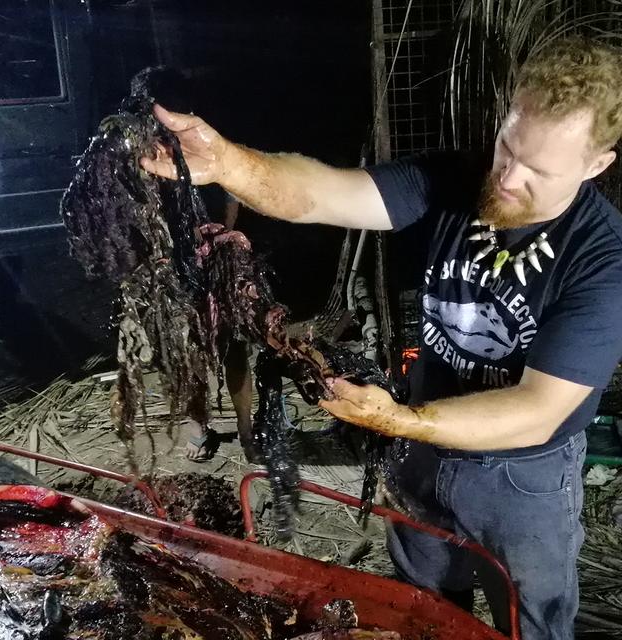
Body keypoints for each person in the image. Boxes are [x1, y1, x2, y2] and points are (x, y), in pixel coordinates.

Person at [140, 37, 622, 639]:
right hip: (420, 453)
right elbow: (321, 193)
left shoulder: (602, 259)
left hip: (522, 476)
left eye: (539, 171)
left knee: (530, 623)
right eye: (507, 146)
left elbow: (537, 412)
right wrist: (228, 164)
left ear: (596, 164)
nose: (507, 176)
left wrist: (400, 419)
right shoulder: (455, 177)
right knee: (421, 609)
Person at [184, 189, 255, 462]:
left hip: (224, 257)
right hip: (183, 259)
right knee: (190, 355)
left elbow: (231, 201)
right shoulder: (163, 163)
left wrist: (222, 236)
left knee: (236, 350)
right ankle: (198, 424)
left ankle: (245, 426)